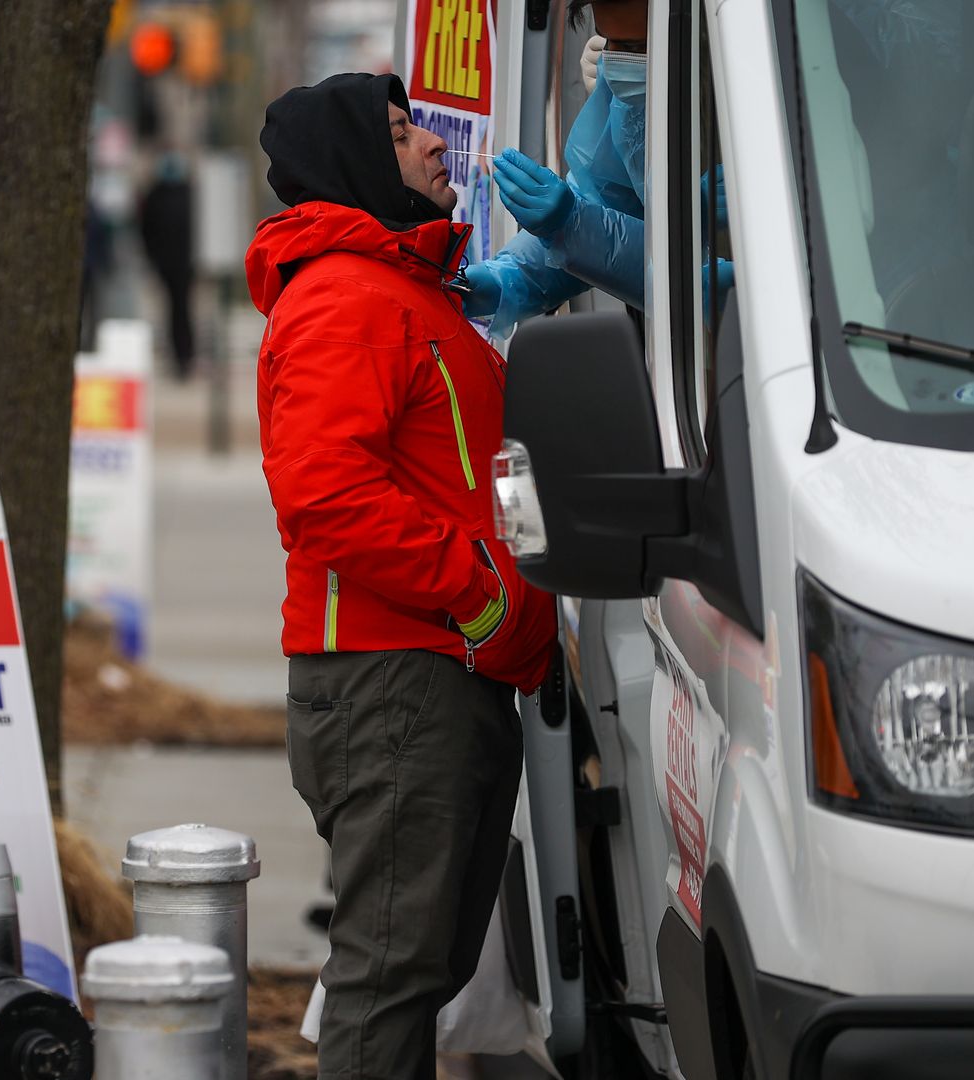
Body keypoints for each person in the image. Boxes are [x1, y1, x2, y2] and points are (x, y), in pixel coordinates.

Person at [249, 72, 556, 1076]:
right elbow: (325, 493)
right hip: (395, 682)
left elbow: (478, 470)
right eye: (398, 132)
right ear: (349, 164)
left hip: (436, 677)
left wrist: (520, 579)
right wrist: (483, 594)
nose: (433, 144)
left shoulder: (404, 292)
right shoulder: (344, 295)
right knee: (389, 981)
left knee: (415, 972)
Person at [464, 0, 651, 331]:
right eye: (610, 43)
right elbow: (605, 201)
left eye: (637, 46)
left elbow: (706, 289)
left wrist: (572, 227)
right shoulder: (628, 102)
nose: (619, 60)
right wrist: (506, 280)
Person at [138, 153, 197, 378]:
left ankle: (183, 356)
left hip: (174, 263)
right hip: (176, 263)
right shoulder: (184, 194)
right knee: (179, 309)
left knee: (178, 310)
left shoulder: (158, 195)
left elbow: (145, 230)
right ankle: (183, 356)